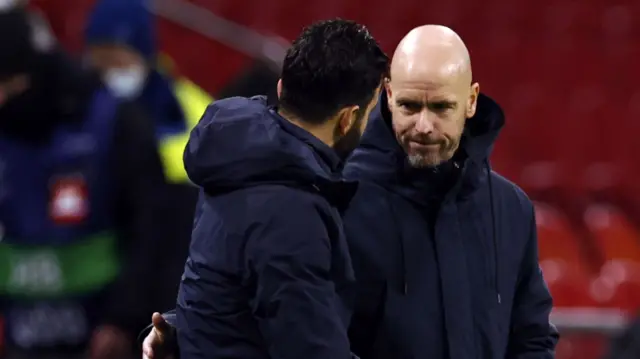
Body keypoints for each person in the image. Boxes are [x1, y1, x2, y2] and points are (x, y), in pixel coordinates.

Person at [141, 25, 558, 359]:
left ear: (470, 101)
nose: (425, 125)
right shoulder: (337, 192)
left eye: (442, 108)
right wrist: (182, 331)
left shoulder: (510, 209)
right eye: (411, 106)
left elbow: (532, 336)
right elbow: (272, 295)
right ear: (388, 96)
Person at [173, 19, 387, 359]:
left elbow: (227, 296)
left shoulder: (239, 158)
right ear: (347, 119)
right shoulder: (291, 212)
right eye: (371, 111)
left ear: (282, 86)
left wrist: (178, 332)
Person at [0, 7, 165, 359]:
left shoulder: (115, 123)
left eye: (7, 84)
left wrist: (125, 318)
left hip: (105, 339)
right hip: (19, 338)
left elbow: (149, 227)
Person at [84, 0, 212, 185]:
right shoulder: (76, 106)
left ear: (143, 55)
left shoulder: (192, 108)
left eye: (117, 60)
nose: (108, 70)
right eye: (100, 61)